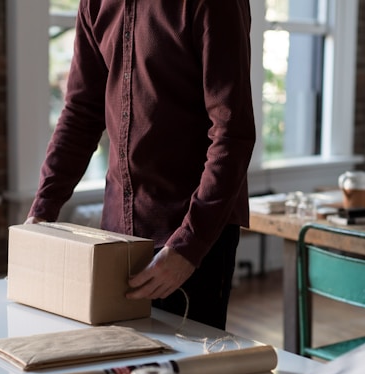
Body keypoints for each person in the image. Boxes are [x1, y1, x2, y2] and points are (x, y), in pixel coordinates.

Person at [26, 0, 256, 330]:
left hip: (192, 233)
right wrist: (41, 212)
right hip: (116, 236)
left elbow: (232, 133)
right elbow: (81, 113)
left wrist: (188, 247)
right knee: (119, 370)